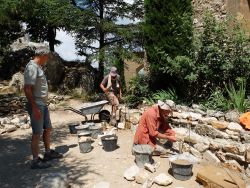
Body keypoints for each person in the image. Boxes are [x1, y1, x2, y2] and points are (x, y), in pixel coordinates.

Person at [24, 48, 62, 169]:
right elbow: (27, 88)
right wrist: (35, 108)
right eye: (47, 57)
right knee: (37, 133)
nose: (47, 59)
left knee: (48, 128)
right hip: (37, 104)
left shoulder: (38, 67)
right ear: (42, 55)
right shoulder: (32, 67)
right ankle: (35, 161)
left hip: (42, 104)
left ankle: (48, 153)